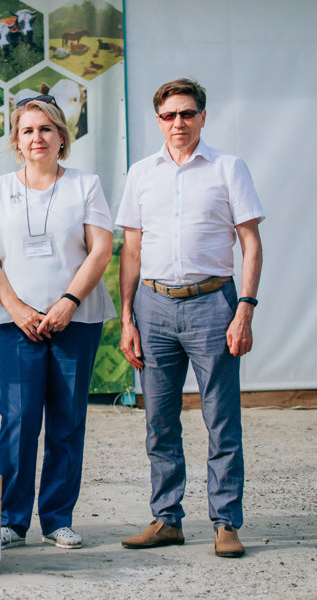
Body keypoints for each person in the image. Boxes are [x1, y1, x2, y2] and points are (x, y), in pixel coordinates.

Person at [117, 79, 264, 558]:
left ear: (203, 116)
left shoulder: (227, 168)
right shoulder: (141, 173)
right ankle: (167, 519)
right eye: (168, 115)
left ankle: (225, 523)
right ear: (157, 119)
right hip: (153, 306)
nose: (177, 123)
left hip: (212, 304)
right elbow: (132, 250)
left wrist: (245, 307)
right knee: (159, 422)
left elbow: (251, 244)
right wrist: (127, 318)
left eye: (186, 113)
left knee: (221, 420)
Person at [0, 95, 115, 550]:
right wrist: (15, 307)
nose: (37, 137)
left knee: (67, 422)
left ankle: (57, 519)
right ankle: (11, 520)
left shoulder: (85, 186)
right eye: (28, 130)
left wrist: (69, 301)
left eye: (46, 128)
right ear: (16, 139)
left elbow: (101, 249)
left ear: (62, 137)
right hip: (18, 325)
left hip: (77, 319)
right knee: (18, 420)